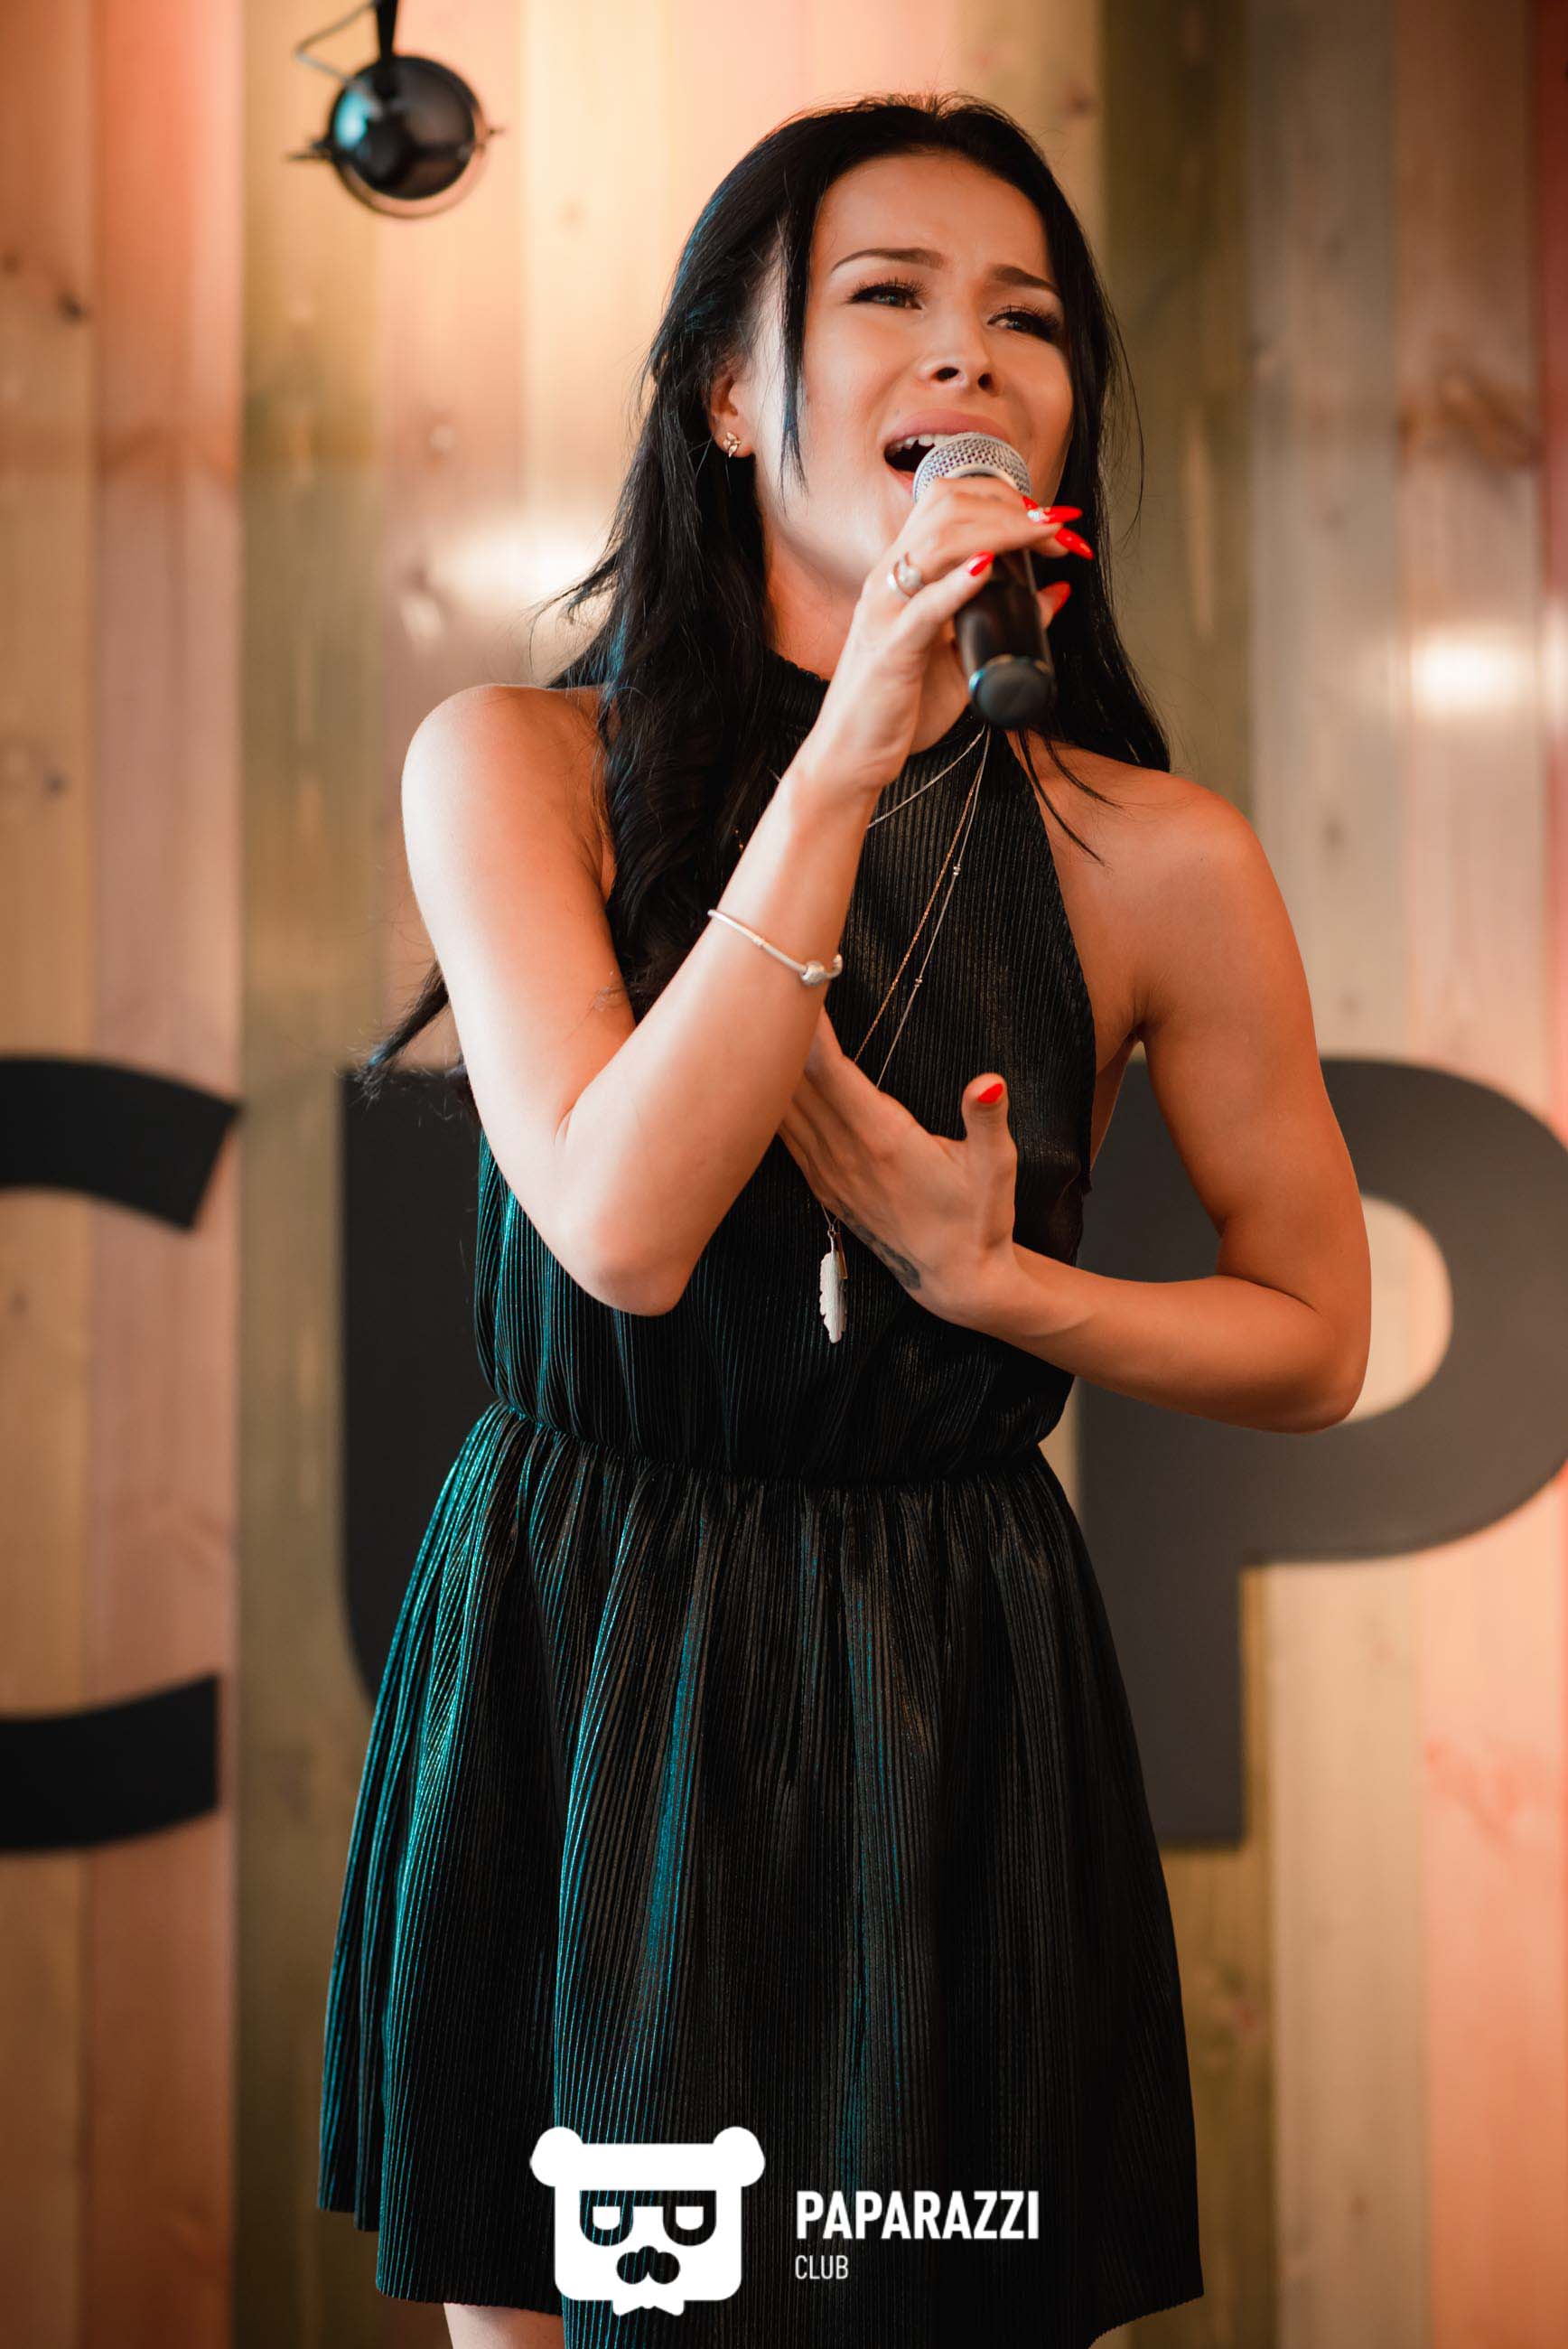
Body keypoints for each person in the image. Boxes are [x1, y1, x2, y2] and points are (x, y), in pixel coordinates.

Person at [316, 91, 1370, 2349]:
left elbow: (1314, 1336)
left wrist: (1000, 1283)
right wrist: (849, 750)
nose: (968, 355)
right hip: (589, 1625)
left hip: (943, 1657)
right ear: (728, 391)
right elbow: (620, 1227)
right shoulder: (514, 766)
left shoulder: (1154, 852)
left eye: (1026, 320)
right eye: (887, 297)